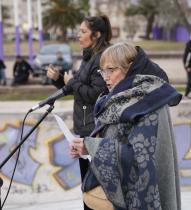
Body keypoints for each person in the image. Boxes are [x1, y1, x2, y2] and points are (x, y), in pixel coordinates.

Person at [69, 42, 182, 210]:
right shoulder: (115, 100)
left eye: (111, 70)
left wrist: (92, 146)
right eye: (102, 70)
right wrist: (87, 146)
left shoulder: (148, 101)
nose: (105, 77)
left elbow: (140, 158)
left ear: (130, 68)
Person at [47, 15, 112, 210]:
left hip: (95, 132)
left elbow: (95, 94)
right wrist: (59, 80)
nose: (78, 35)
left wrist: (71, 82)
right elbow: (77, 88)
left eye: (83, 31)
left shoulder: (102, 58)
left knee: (97, 193)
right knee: (88, 190)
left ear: (97, 35)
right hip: (84, 129)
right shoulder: (88, 56)